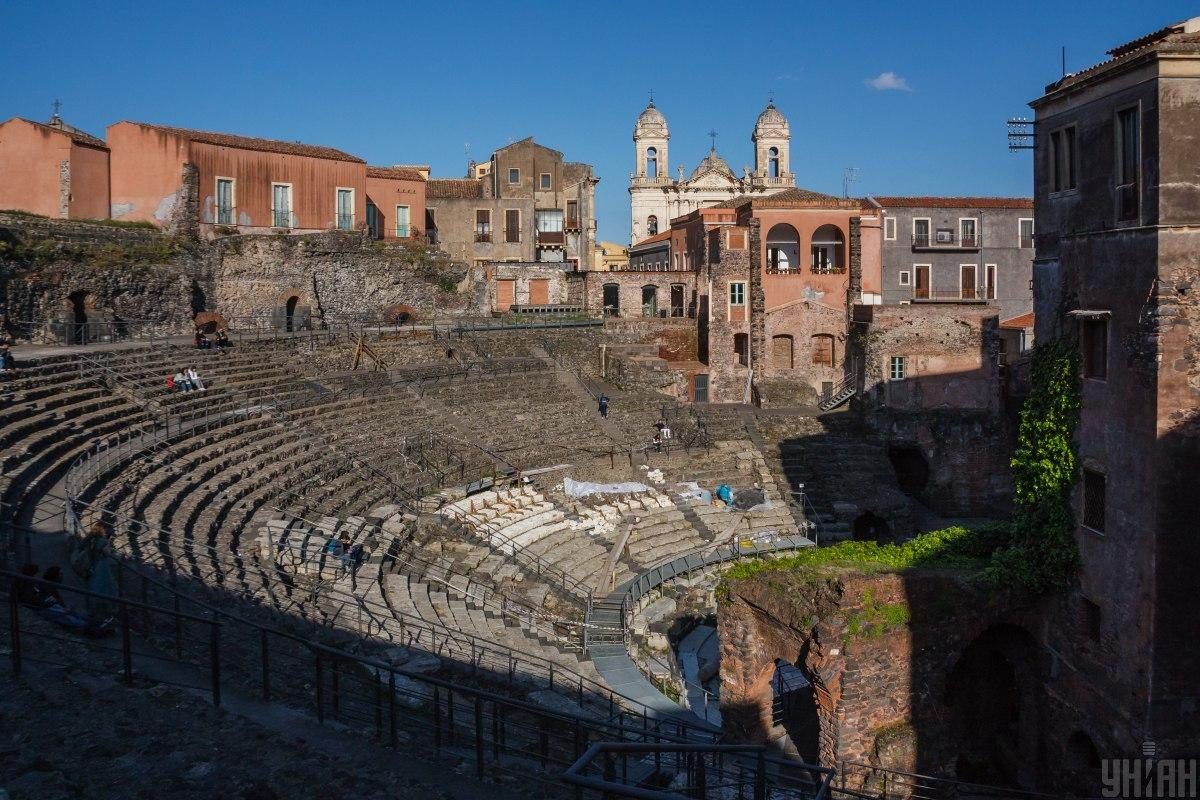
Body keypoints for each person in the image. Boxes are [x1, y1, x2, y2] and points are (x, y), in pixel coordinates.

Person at [72, 523, 117, 622]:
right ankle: (103, 611)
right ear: (103, 530)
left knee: (91, 588)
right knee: (104, 587)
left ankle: (91, 610)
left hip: (90, 567)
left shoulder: (90, 539)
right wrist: (110, 542)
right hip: (101, 566)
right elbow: (107, 553)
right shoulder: (102, 541)